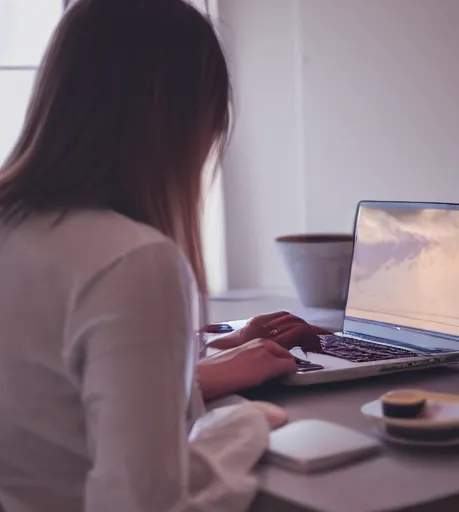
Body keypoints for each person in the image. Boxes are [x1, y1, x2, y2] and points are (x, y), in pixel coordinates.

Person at [0, 1, 323, 511]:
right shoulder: (131, 262)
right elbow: (140, 503)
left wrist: (185, 375)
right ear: (182, 123)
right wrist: (240, 428)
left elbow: (42, 403)